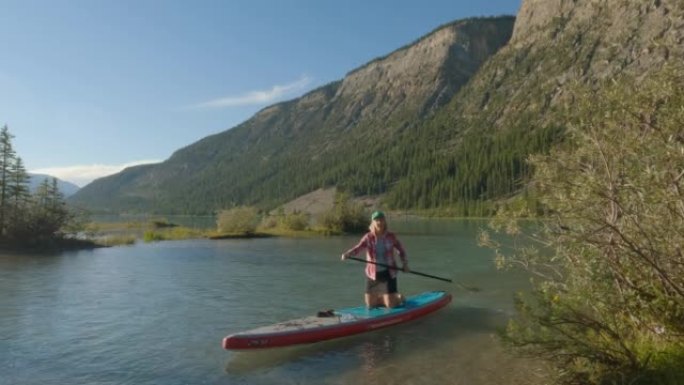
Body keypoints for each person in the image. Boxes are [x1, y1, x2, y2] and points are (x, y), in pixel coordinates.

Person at [341, 210, 409, 308]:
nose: (379, 222)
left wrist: (405, 264)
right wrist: (348, 254)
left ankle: (398, 298)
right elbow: (358, 247)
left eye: (381, 220)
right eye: (377, 220)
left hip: (388, 273)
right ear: (373, 222)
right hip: (372, 274)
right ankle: (387, 297)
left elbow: (401, 250)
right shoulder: (368, 237)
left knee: (391, 305)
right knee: (370, 304)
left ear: (385, 221)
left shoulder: (391, 236)